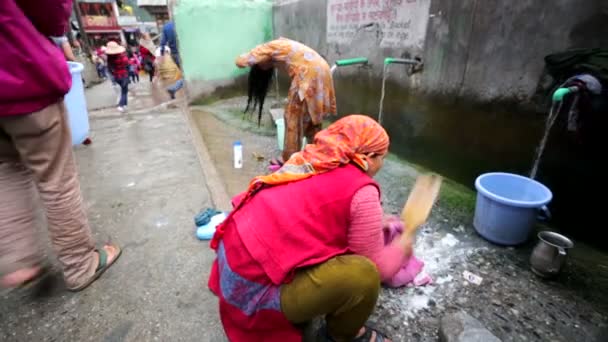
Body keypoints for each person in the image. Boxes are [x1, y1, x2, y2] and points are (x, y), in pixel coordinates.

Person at [208, 115, 410, 342]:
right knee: (364, 276)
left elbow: (318, 210)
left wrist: (375, 223)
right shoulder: (362, 191)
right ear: (368, 157)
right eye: (382, 157)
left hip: (234, 270)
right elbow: (378, 266)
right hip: (253, 296)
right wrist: (405, 244)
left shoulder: (309, 161)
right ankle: (342, 335)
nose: (381, 164)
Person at [0, 0, 121, 293]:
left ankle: (19, 262)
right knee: (55, 179)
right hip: (22, 77)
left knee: (6, 171)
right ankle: (80, 264)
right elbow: (51, 11)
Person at [236, 37, 337, 163]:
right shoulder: (279, 48)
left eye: (260, 64)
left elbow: (240, 62)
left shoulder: (266, 48)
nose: (264, 67)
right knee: (312, 119)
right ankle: (319, 155)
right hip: (322, 70)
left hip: (308, 74)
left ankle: (289, 159)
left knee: (292, 117)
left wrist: (252, 55)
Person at [160, 21, 184, 99]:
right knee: (188, 74)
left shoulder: (166, 26)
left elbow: (162, 43)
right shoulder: (182, 22)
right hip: (184, 52)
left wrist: (161, 54)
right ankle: (173, 88)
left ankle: (174, 89)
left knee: (185, 74)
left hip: (174, 54)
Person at [105, 41, 129, 112]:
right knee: (124, 91)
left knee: (124, 90)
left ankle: (125, 105)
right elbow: (127, 64)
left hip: (116, 77)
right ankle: (121, 105)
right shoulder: (122, 57)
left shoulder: (109, 59)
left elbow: (110, 69)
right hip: (124, 75)